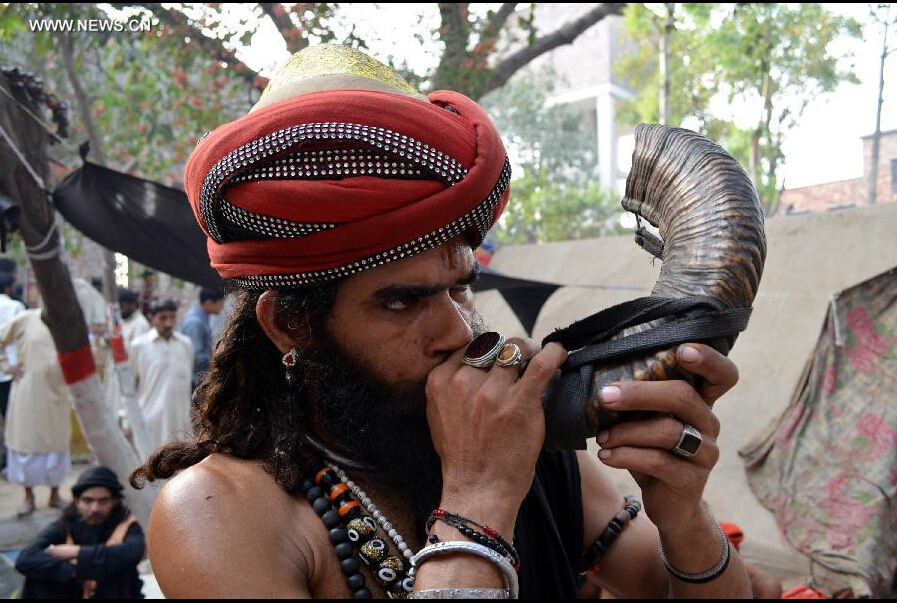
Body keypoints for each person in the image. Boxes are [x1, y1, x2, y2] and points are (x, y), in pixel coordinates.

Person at [132, 45, 752, 598]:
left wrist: (682, 515)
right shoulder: (217, 514)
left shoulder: (525, 450)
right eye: (401, 302)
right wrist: (477, 503)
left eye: (460, 288)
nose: (457, 331)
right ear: (290, 325)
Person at [15, 466, 145, 599]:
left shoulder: (127, 525)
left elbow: (132, 552)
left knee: (119, 569)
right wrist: (72, 571)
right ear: (77, 501)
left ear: (114, 501)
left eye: (103, 501)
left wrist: (75, 552)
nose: (95, 508)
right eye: (88, 501)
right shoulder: (65, 524)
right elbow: (25, 559)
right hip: (72, 590)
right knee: (38, 574)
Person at [0, 309, 72, 515]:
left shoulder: (69, 319)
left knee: (56, 445)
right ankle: (28, 497)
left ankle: (55, 495)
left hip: (58, 393)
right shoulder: (26, 319)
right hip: (28, 393)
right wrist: (7, 366)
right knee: (26, 445)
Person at [129, 299, 193, 448]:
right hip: (150, 420)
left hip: (180, 420)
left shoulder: (186, 344)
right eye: (163, 318)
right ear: (151, 319)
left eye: (172, 317)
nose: (168, 323)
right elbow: (130, 387)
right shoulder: (139, 345)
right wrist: (127, 422)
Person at [0, 272, 25, 467]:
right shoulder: (15, 307)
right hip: (12, 372)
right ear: (8, 288)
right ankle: (10, 461)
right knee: (12, 418)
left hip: (7, 368)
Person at [178, 287, 224, 389]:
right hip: (191, 379)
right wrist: (214, 358)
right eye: (220, 302)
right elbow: (195, 355)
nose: (222, 306)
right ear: (208, 303)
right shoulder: (195, 322)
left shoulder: (203, 318)